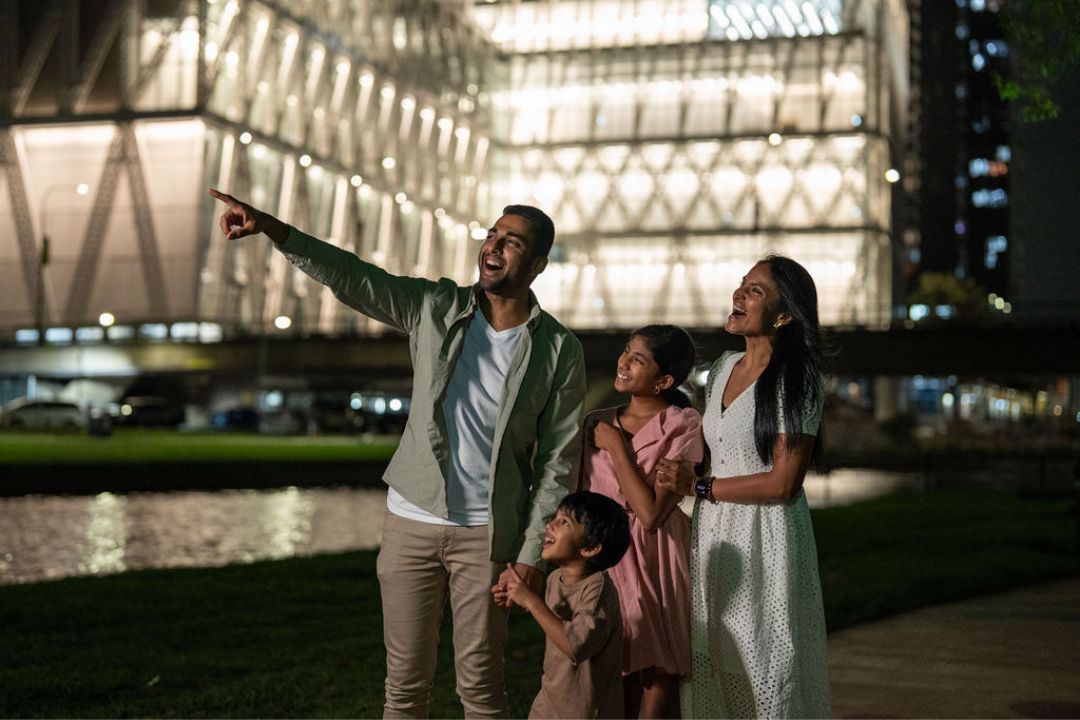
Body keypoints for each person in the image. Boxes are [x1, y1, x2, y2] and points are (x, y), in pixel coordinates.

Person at [208, 188, 586, 718]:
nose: (493, 247)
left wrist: (529, 558)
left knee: (481, 690)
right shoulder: (435, 306)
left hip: (487, 534)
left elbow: (557, 462)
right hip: (410, 521)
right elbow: (354, 277)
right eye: (491, 235)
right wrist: (274, 229)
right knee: (404, 688)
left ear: (539, 263)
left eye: (512, 242)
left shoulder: (558, 349)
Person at [657, 255, 830, 719]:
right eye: (741, 284)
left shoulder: (797, 381)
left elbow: (783, 483)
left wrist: (700, 488)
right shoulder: (721, 369)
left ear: (783, 315)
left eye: (755, 290)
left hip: (767, 537)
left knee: (766, 663)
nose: (739, 294)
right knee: (715, 657)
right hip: (714, 532)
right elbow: (713, 453)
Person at [584, 325, 704, 718]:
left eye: (638, 359)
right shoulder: (595, 422)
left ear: (664, 380)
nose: (624, 362)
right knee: (612, 659)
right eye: (625, 352)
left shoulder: (682, 425)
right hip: (605, 555)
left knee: (658, 662)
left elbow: (651, 513)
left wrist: (618, 447)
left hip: (656, 555)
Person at [494, 490, 631, 719]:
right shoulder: (554, 579)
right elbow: (552, 622)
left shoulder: (597, 590)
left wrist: (531, 600)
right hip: (550, 703)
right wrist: (517, 597)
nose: (551, 525)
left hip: (586, 711)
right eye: (555, 518)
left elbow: (576, 645)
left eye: (564, 522)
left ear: (590, 548)